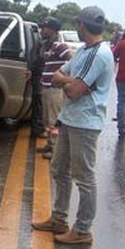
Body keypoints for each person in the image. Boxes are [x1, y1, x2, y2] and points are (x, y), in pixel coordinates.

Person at [32, 6, 114, 245]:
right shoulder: (84, 52)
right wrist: (71, 81)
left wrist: (70, 82)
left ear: (81, 25)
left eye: (77, 25)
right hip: (70, 119)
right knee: (59, 169)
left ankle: (82, 229)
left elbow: (73, 90)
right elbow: (58, 77)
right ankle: (59, 218)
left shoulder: (98, 54)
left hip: (85, 123)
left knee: (84, 177)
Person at [35, 16, 73, 158]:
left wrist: (64, 78)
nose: (42, 30)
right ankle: (50, 144)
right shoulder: (48, 46)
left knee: (53, 120)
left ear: (52, 30)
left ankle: (56, 150)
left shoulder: (59, 46)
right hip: (46, 87)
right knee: (46, 119)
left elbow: (71, 60)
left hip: (54, 89)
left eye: (44, 28)